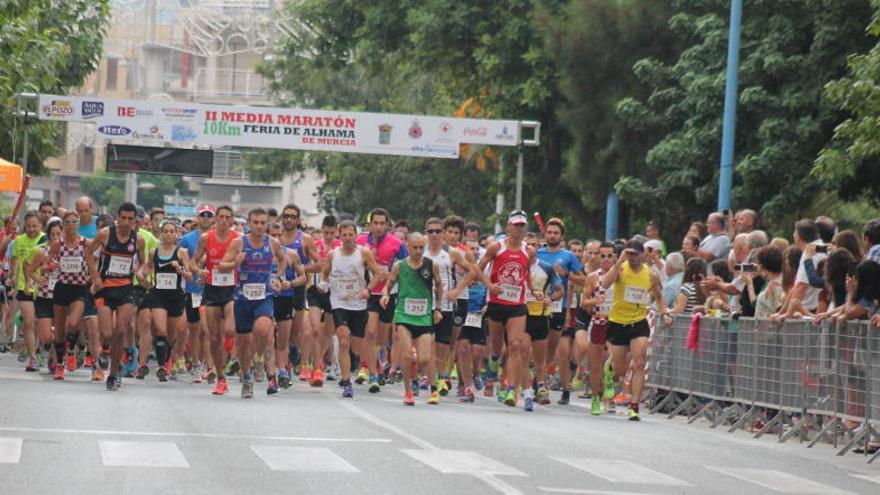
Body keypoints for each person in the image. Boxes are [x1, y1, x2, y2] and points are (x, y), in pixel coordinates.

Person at [218, 208, 290, 398]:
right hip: (242, 299)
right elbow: (221, 266)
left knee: (263, 330)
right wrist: (235, 262)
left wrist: (278, 278)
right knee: (242, 344)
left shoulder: (272, 243)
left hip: (264, 297)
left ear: (266, 224)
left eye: (262, 222)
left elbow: (283, 261)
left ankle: (258, 358)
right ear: (250, 223)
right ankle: (247, 377)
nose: (259, 226)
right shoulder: (239, 243)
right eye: (255, 222)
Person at [601, 239, 672, 421]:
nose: (632, 257)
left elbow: (658, 297)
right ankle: (610, 371)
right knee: (620, 370)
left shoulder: (651, 275)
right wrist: (618, 262)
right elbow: (605, 284)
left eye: (635, 254)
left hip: (638, 322)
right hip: (618, 322)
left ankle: (635, 406)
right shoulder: (621, 269)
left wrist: (664, 312)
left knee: (639, 362)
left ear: (642, 255)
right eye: (629, 253)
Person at [477, 210, 535, 409]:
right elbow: (478, 268)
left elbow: (526, 275)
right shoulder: (496, 247)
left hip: (517, 305)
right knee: (496, 348)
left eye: (522, 225)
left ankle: (511, 388)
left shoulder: (529, 251)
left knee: (516, 346)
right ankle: (493, 363)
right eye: (516, 225)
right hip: (496, 302)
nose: (519, 228)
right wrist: (489, 285)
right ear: (509, 226)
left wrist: (535, 291)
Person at [86, 202, 147, 391]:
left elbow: (144, 263)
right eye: (123, 218)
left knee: (121, 330)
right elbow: (88, 251)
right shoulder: (105, 234)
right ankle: (105, 348)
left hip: (126, 289)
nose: (126, 222)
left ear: (135, 220)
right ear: (117, 217)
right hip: (105, 289)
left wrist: (141, 272)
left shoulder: (138, 240)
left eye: (131, 219)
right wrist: (95, 277)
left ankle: (113, 374)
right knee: (107, 333)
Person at [320, 219, 383, 398]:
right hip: (339, 302)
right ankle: (347, 382)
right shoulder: (333, 254)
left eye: (351, 235)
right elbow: (325, 272)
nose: (347, 238)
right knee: (343, 340)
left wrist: (368, 290)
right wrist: (324, 284)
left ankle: (373, 373)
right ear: (339, 236)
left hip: (358, 303)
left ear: (356, 236)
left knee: (359, 346)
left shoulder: (363, 253)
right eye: (344, 235)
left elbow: (377, 273)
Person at [380, 232, 444, 405]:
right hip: (404, 315)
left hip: (423, 317)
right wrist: (385, 295)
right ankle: (408, 391)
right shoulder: (399, 266)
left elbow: (439, 286)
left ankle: (431, 386)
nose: (417, 251)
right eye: (414, 247)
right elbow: (389, 285)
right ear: (407, 246)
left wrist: (437, 308)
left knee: (424, 359)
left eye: (421, 248)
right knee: (407, 356)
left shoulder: (431, 265)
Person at [189, 205, 240, 395]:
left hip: (232, 289)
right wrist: (198, 270)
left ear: (232, 219)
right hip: (212, 290)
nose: (224, 220)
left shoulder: (237, 239)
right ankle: (220, 377)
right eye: (221, 217)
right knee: (213, 337)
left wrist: (236, 265)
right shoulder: (206, 238)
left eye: (228, 217)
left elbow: (244, 260)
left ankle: (231, 346)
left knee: (229, 330)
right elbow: (193, 262)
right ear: (215, 219)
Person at [357, 208, 408, 392]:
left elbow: (407, 267)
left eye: (382, 223)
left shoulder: (397, 243)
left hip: (388, 293)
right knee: (369, 332)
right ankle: (370, 371)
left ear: (387, 225)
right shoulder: (361, 241)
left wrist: (392, 274)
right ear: (369, 224)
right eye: (375, 223)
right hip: (369, 292)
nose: (378, 227)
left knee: (381, 336)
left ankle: (375, 362)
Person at [423, 217, 474, 398]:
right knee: (426, 344)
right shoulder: (419, 251)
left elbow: (473, 272)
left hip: (447, 304)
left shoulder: (452, 253)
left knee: (446, 344)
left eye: (438, 231)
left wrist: (457, 289)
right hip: (424, 306)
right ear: (426, 233)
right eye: (431, 231)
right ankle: (427, 377)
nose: (435, 235)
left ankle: (443, 377)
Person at [137, 220, 193, 382]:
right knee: (160, 330)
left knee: (170, 336)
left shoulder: (182, 252)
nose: (168, 234)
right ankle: (162, 366)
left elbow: (189, 276)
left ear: (176, 235)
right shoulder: (154, 252)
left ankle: (166, 361)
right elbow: (147, 266)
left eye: (171, 231)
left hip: (175, 296)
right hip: (158, 295)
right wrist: (141, 273)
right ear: (161, 234)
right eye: (166, 231)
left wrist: (179, 269)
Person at [535, 218, 584, 394]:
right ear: (545, 234)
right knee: (537, 342)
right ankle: (539, 378)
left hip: (559, 305)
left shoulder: (568, 256)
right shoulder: (537, 253)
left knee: (552, 346)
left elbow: (583, 280)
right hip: (538, 304)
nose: (552, 235)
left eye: (556, 233)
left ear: (562, 236)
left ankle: (540, 374)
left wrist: (567, 274)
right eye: (549, 232)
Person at [278, 204, 320, 383]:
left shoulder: (305, 239)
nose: (289, 219)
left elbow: (319, 264)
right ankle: (282, 364)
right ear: (282, 217)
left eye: (292, 217)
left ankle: (293, 349)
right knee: (279, 329)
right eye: (286, 216)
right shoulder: (275, 238)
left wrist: (303, 268)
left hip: (297, 288)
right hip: (277, 288)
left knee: (295, 333)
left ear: (298, 220)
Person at [576, 241, 617, 414]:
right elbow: (583, 301)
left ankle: (609, 386)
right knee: (595, 364)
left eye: (609, 256)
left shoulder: (620, 274)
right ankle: (595, 398)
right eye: (603, 256)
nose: (606, 259)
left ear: (615, 257)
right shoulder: (593, 277)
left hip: (616, 321)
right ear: (598, 257)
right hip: (599, 320)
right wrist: (594, 301)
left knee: (613, 361)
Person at [524, 232, 562, 410]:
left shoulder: (546, 267)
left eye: (534, 244)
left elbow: (560, 290)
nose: (530, 247)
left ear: (538, 247)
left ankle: (541, 387)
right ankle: (522, 389)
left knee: (539, 358)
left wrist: (551, 298)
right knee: (523, 354)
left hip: (540, 316)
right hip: (520, 315)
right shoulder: (516, 266)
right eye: (527, 244)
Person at [179, 204, 214, 383]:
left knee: (207, 330)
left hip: (212, 289)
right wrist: (188, 271)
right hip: (193, 289)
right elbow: (181, 258)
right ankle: (195, 364)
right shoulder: (186, 239)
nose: (206, 218)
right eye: (203, 215)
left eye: (209, 215)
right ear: (198, 217)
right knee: (195, 329)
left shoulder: (218, 238)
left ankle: (208, 365)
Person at [306, 215, 341, 386]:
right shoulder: (315, 245)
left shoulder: (341, 247)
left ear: (337, 231)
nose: (328, 236)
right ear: (322, 229)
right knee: (315, 329)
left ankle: (318, 363)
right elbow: (309, 265)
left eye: (332, 233)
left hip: (333, 293)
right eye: (326, 232)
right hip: (314, 291)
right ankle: (317, 366)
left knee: (328, 332)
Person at [11, 211, 48, 372]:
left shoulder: (46, 239)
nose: (31, 229)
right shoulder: (19, 241)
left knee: (39, 323)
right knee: (28, 321)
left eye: (35, 226)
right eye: (28, 226)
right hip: (23, 286)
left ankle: (36, 348)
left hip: (41, 287)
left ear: (41, 226)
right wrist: (12, 278)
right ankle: (32, 356)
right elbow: (15, 262)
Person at [25, 221, 61, 378]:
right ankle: (53, 355)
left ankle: (57, 361)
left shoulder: (68, 251)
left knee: (59, 333)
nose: (55, 237)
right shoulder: (42, 252)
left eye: (58, 234)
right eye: (52, 234)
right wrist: (38, 279)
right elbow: (30, 270)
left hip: (62, 297)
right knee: (47, 336)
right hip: (44, 297)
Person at [754, 247, 785, 319]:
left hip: (768, 327)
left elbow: (779, 310)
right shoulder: (786, 282)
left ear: (763, 266)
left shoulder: (774, 285)